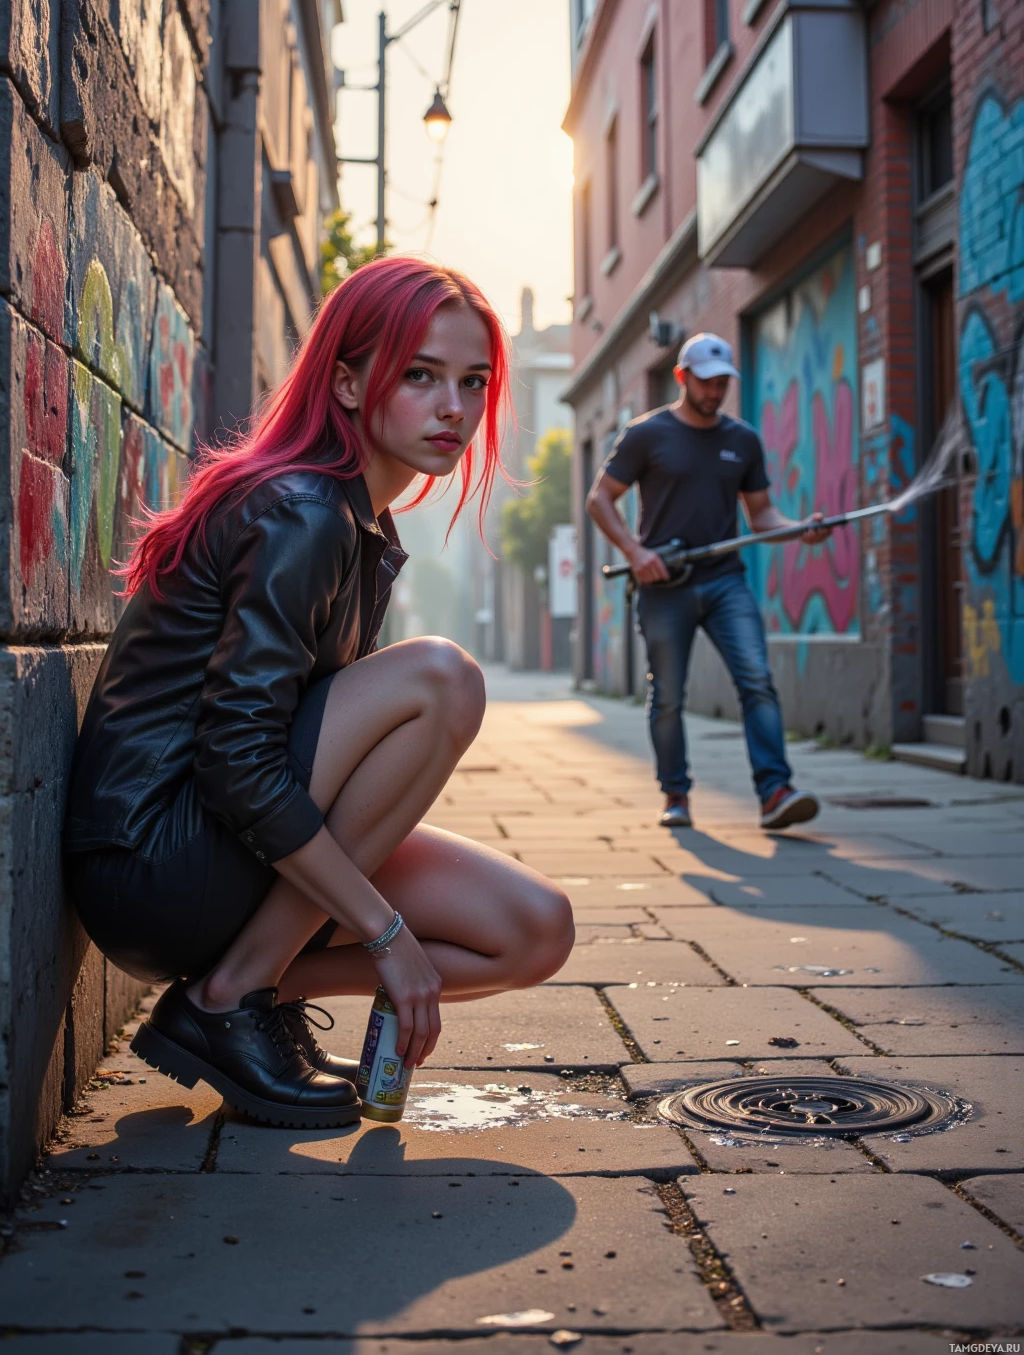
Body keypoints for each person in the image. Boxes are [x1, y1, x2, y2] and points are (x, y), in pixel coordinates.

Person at [64, 257, 575, 1130]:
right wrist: (385, 935)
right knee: (442, 678)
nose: (453, 406)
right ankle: (233, 994)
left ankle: (237, 998)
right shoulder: (302, 510)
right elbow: (235, 759)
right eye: (419, 374)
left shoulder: (356, 519)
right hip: (153, 860)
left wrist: (388, 930)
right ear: (345, 382)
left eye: (473, 381)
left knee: (534, 929)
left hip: (220, 849)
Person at [586, 332, 830, 832]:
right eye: (707, 382)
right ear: (682, 377)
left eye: (723, 383)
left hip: (725, 584)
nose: (716, 392)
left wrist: (799, 530)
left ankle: (774, 793)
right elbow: (599, 499)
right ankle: (675, 794)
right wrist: (636, 552)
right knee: (669, 697)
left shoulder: (742, 441)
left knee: (757, 681)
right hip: (663, 588)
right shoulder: (646, 434)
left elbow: (761, 516)